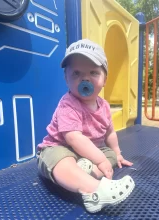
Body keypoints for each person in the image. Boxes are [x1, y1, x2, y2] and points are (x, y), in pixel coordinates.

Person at [37, 39, 135, 213]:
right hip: (59, 147)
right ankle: (94, 190)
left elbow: (110, 132)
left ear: (105, 79)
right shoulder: (68, 104)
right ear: (66, 79)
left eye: (93, 72)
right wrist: (100, 160)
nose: (85, 78)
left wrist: (117, 154)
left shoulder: (104, 106)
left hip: (88, 154)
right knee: (60, 159)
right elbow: (73, 138)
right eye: (76, 73)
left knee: (110, 155)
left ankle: (83, 172)